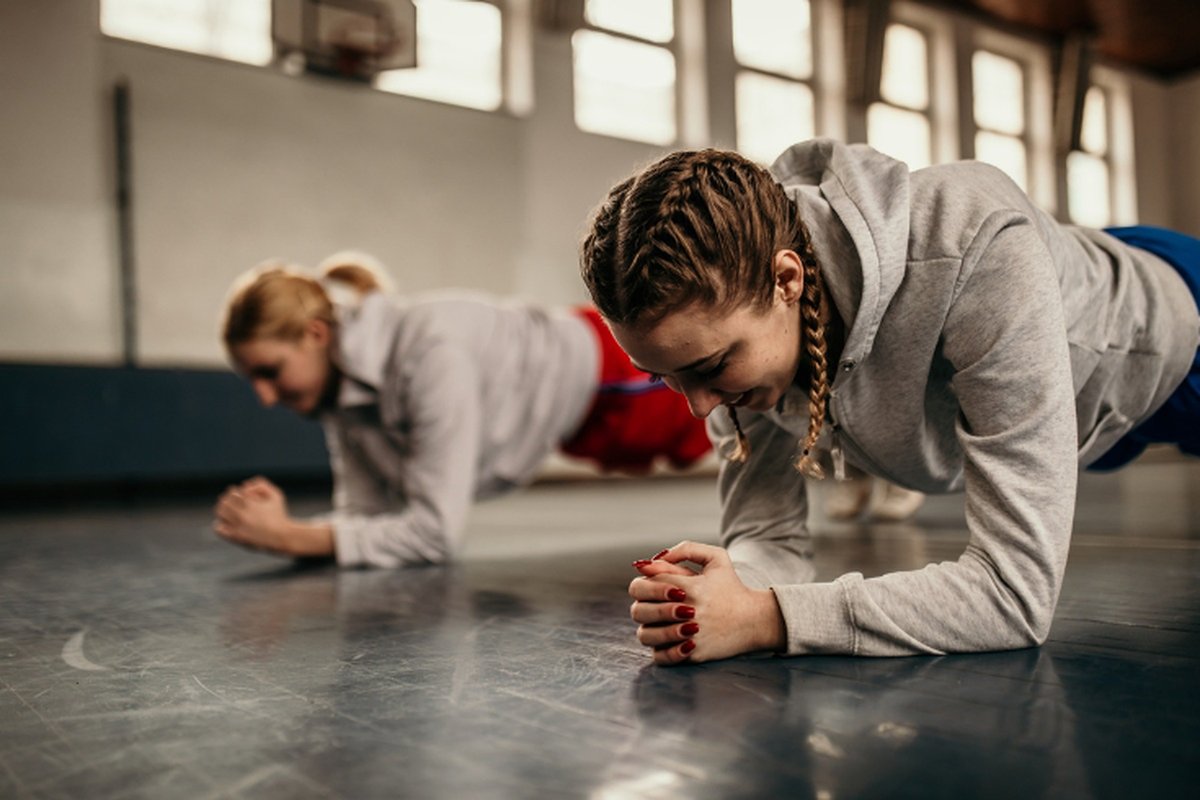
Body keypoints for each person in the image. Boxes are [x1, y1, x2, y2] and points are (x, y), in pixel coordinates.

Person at [579, 138, 1200, 665]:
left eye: (711, 368)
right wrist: (720, 591)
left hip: (1169, 334)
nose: (698, 408)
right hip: (1081, 391)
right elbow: (769, 539)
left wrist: (768, 619)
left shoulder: (979, 247)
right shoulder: (737, 330)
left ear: (788, 279)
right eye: (664, 376)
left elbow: (1015, 597)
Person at [213, 252, 711, 567]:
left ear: (315, 335)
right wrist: (288, 532)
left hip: (615, 378)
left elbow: (432, 534)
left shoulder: (428, 354)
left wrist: (292, 537)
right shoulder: (339, 397)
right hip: (578, 421)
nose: (265, 396)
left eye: (270, 372)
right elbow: (366, 518)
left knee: (752, 410)